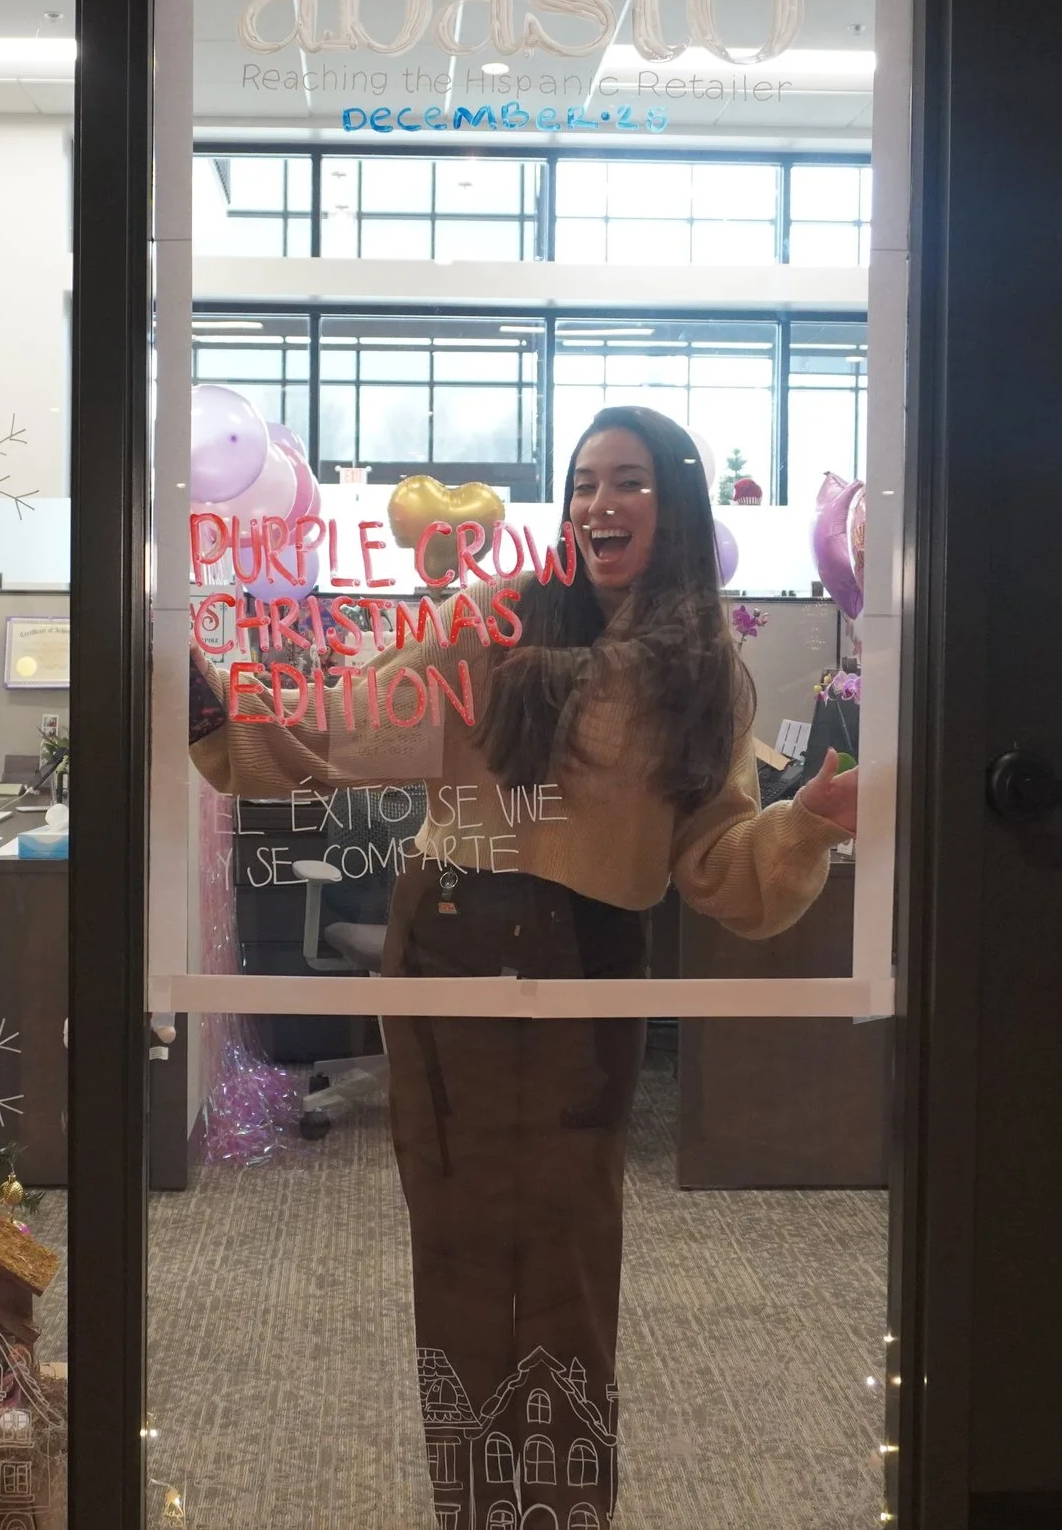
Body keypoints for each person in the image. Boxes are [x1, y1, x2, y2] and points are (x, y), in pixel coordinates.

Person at [191, 406, 858, 1526]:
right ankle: (470, 1508)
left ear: (675, 504)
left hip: (588, 958)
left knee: (571, 1237)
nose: (602, 502)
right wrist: (211, 705)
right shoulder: (491, 623)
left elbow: (716, 865)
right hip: (448, 936)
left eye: (629, 480)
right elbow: (351, 724)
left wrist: (804, 825)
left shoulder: (706, 677)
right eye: (586, 481)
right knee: (453, 1229)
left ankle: (559, 1509)